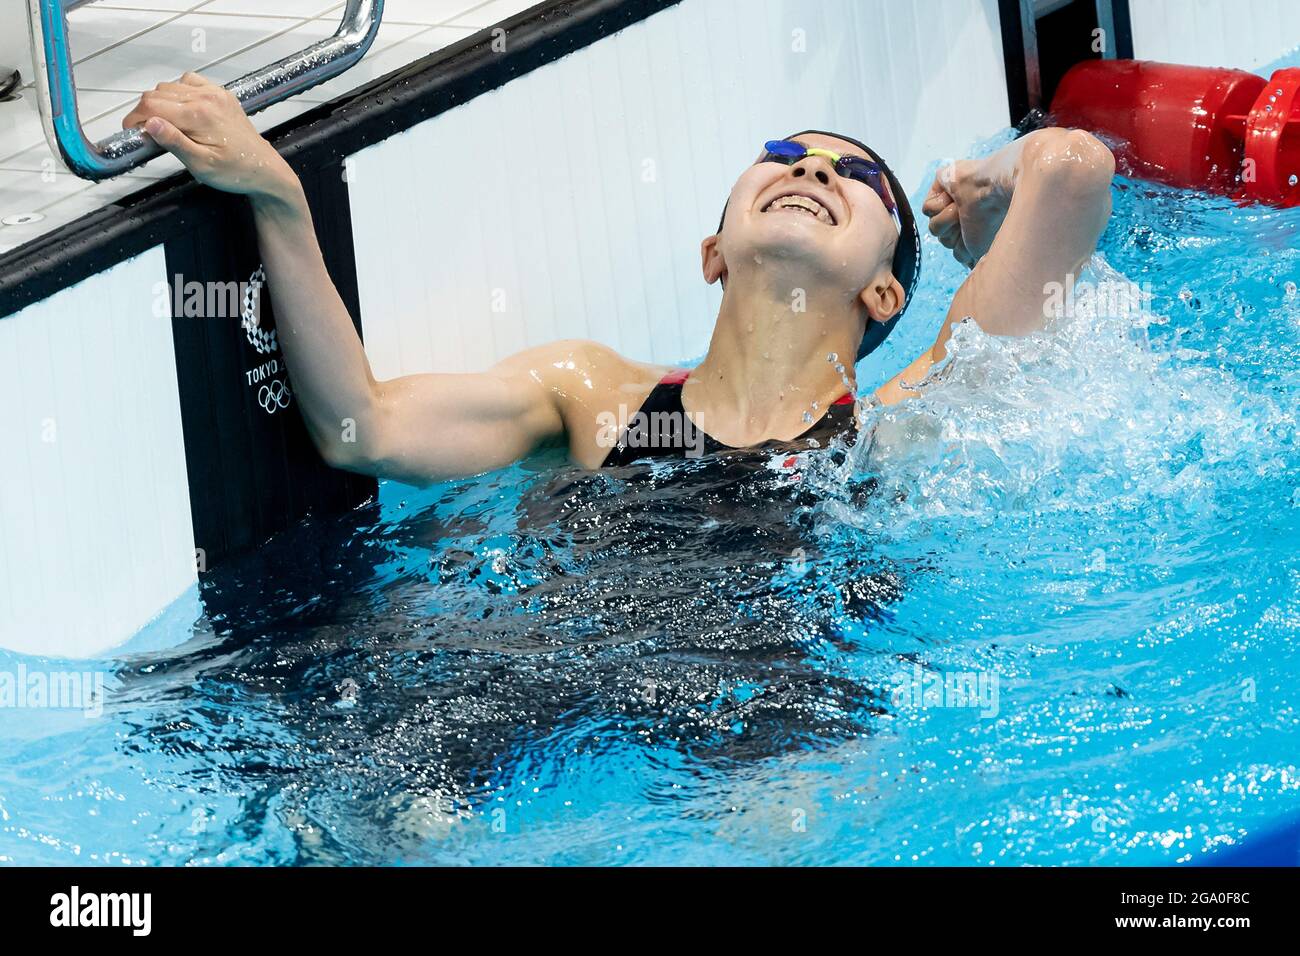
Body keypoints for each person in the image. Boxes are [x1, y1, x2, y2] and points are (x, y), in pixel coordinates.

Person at [123, 74, 1114, 483]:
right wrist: (278, 198)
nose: (813, 170)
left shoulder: (898, 421)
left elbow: (1073, 169)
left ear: (884, 294)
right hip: (544, 688)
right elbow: (360, 428)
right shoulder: (590, 394)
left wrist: (980, 188)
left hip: (779, 730)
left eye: (856, 178)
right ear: (712, 250)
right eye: (784, 155)